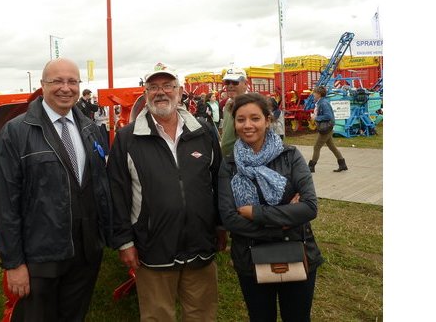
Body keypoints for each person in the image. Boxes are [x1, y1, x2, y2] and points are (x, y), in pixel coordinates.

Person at [0, 58, 112, 321]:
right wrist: (13, 263)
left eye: (72, 81)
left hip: (86, 251)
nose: (65, 88)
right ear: (42, 85)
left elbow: (99, 186)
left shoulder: (90, 128)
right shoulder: (16, 132)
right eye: (57, 81)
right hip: (41, 255)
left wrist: (107, 236)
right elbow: (5, 205)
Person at [107, 62, 225, 321]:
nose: (161, 92)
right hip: (153, 248)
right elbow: (117, 194)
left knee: (202, 314)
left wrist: (219, 225)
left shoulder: (203, 132)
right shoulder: (128, 139)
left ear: (180, 91)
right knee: (157, 316)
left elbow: (217, 181)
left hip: (200, 244)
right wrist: (124, 242)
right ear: (145, 93)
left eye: (168, 86)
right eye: (153, 87)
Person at [218, 93, 324, 322]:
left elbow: (308, 207)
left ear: (267, 120)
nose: (247, 125)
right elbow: (229, 219)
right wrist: (284, 223)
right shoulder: (229, 165)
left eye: (255, 118)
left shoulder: (290, 155)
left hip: (296, 251)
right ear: (234, 123)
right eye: (240, 119)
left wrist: (256, 213)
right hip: (250, 258)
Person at [308, 86, 348, 173]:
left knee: (316, 147)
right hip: (327, 128)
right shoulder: (320, 102)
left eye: (314, 93)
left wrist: (316, 118)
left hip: (326, 128)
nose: (313, 94)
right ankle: (342, 164)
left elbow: (328, 116)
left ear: (319, 94)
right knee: (332, 146)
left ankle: (311, 167)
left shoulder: (323, 103)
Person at [220, 67, 249, 157]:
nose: (230, 85)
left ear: (245, 84)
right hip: (227, 160)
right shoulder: (228, 103)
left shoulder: (250, 105)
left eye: (235, 82)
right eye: (227, 82)